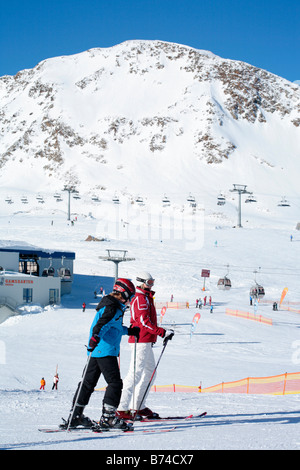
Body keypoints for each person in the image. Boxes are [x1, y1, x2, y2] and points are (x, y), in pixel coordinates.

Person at [61, 279, 139, 431]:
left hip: (96, 350)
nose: (131, 299)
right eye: (131, 296)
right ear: (124, 293)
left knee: (87, 383)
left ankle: (76, 416)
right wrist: (95, 336)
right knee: (115, 383)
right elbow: (101, 325)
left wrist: (128, 331)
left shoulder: (112, 306)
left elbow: (112, 327)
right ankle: (108, 418)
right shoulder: (112, 308)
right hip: (104, 350)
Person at [117, 271, 174, 420]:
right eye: (149, 282)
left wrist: (158, 333)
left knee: (150, 372)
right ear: (141, 283)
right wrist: (161, 332)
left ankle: (138, 405)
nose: (151, 285)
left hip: (146, 340)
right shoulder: (140, 298)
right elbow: (143, 322)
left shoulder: (146, 298)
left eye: (152, 282)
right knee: (134, 373)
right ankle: (122, 408)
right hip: (140, 340)